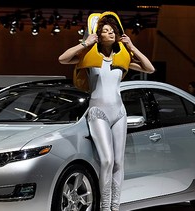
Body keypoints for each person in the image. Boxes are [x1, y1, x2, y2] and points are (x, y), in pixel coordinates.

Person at [59, 11, 155, 211]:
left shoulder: (124, 57)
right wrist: (86, 42)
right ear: (98, 35)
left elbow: (149, 68)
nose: (110, 33)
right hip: (97, 112)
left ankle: (115, 207)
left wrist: (132, 46)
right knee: (107, 160)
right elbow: (63, 58)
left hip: (119, 113)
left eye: (113, 31)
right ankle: (104, 207)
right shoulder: (88, 56)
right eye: (105, 31)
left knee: (119, 162)